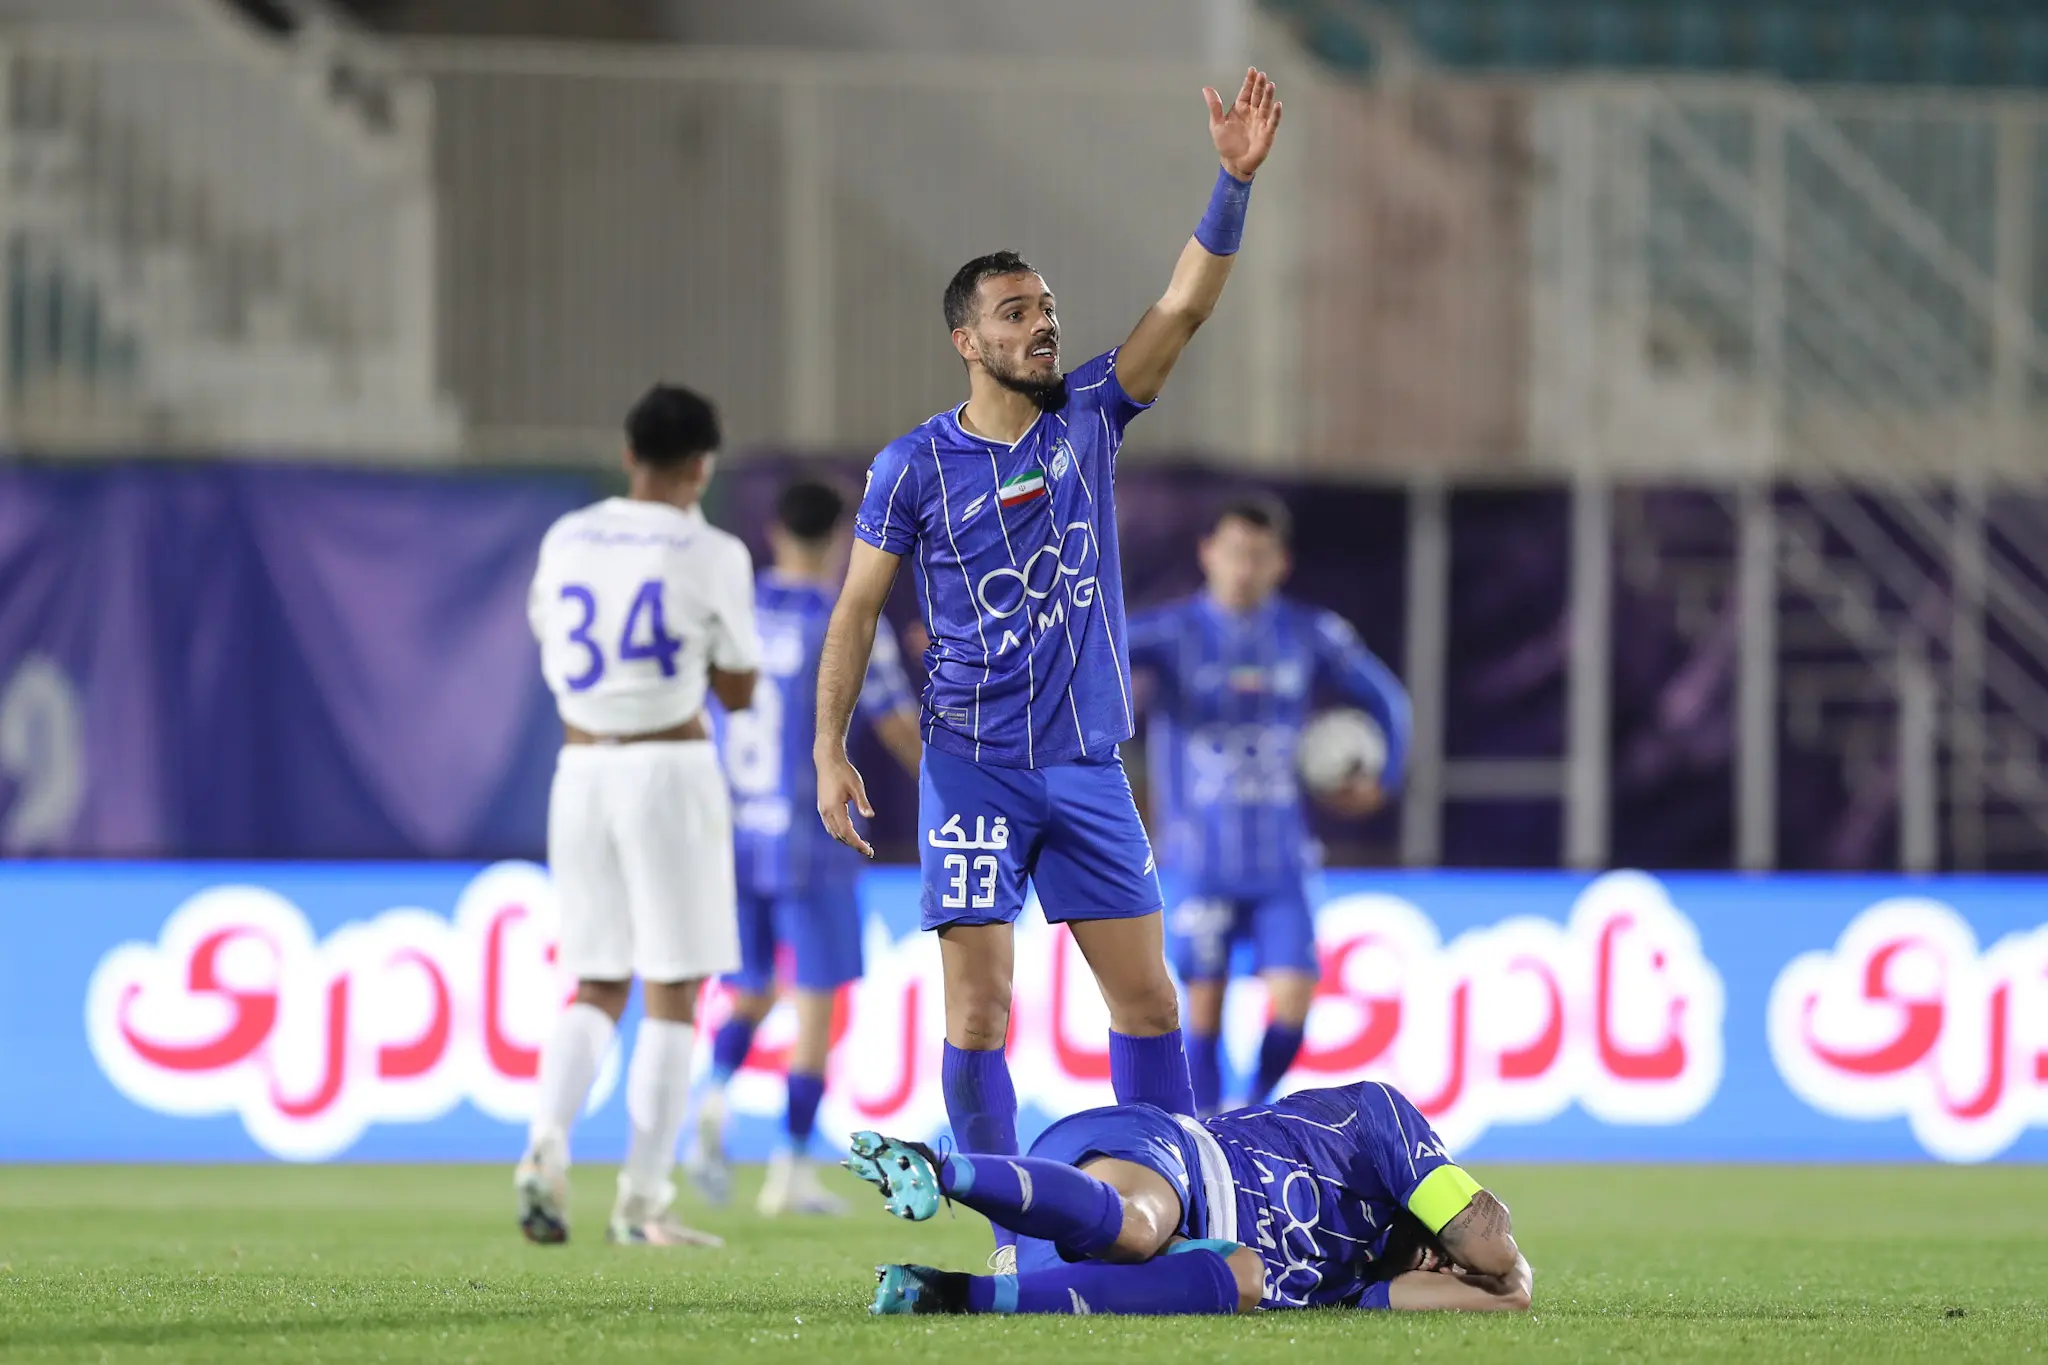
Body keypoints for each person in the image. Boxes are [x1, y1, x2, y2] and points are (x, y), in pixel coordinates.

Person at [813, 68, 1287, 1265]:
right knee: (979, 1008)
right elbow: (856, 609)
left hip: (1086, 766)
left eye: (1048, 308)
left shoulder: (1089, 418)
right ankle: (1009, 1240)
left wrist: (1230, 184)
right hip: (971, 766)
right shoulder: (910, 468)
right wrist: (827, 746)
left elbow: (1181, 307)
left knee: (1150, 1002)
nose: (1043, 325)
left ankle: (1181, 1225)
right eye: (1016, 312)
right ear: (966, 340)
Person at [515, 383, 759, 1248]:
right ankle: (641, 1202)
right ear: (703, 466)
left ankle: (544, 1147)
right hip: (668, 767)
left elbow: (548, 634)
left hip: (580, 767)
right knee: (673, 989)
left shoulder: (568, 536)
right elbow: (739, 686)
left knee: (595, 981)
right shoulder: (712, 550)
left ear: (627, 453)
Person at [1127, 497, 1411, 1115]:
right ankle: (1208, 1129)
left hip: (1283, 861)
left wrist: (1383, 778)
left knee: (1293, 1004)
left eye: (1258, 556)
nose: (1244, 568)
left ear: (1281, 563)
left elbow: (1389, 701)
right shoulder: (1173, 633)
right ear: (1207, 554)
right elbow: (1097, 652)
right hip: (1201, 858)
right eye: (1234, 553)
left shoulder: (1308, 634)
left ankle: (1253, 1107)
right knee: (1202, 1006)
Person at [693, 478, 923, 1217]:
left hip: (733, 836)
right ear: (838, 538)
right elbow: (894, 721)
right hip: (813, 836)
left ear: (774, 532)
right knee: (817, 1007)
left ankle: (714, 1096)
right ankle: (789, 1169)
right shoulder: (842, 616)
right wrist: (955, 788)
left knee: (753, 989)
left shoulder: (733, 608)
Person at [846, 1080, 1531, 1317]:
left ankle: (949, 1295)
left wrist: (1508, 1280)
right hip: (1151, 1156)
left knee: (1245, 1277)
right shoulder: (1383, 1119)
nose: (1450, 1264)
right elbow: (1491, 1250)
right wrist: (1494, 1258)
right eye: (1446, 1246)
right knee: (1139, 1228)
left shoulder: (1357, 1283)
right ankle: (940, 1168)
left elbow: (1508, 1291)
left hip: (1081, 1260)